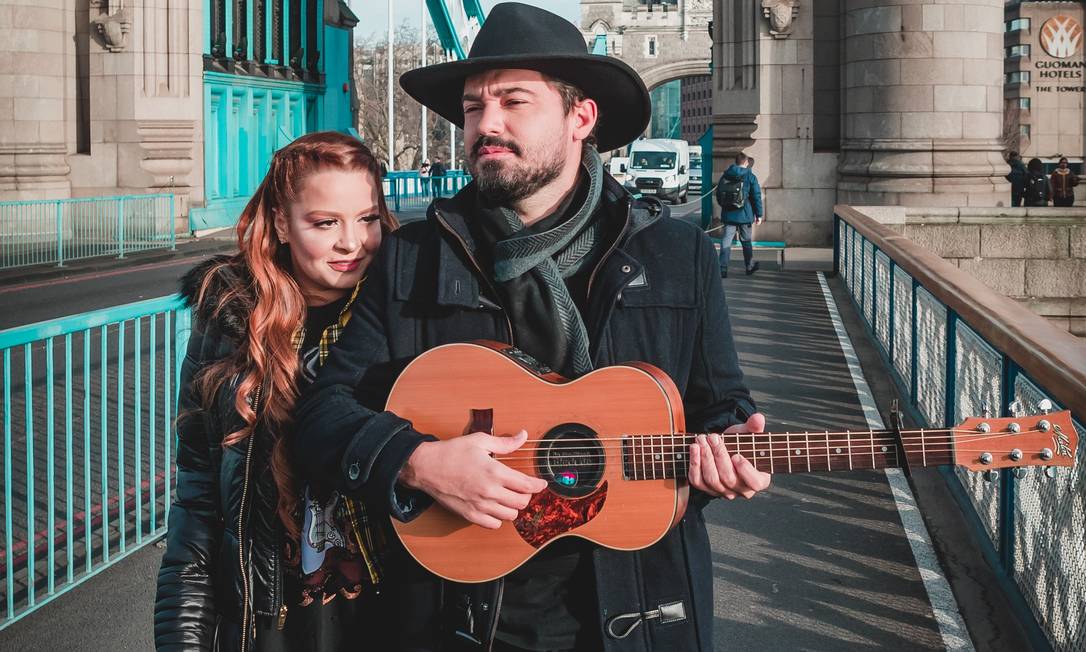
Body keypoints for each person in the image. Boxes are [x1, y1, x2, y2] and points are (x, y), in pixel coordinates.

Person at [291, 4, 770, 651]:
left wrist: (731, 450)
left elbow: (719, 407)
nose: (485, 123)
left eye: (514, 101)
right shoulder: (415, 257)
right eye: (471, 107)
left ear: (581, 117)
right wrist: (417, 462)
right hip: (457, 615)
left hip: (636, 609)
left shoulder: (679, 256)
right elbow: (321, 415)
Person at [154, 132, 399, 652]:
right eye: (325, 222)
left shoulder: (410, 317)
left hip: (391, 614)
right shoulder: (230, 322)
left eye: (368, 219)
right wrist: (184, 637)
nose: (351, 243)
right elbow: (198, 502)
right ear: (283, 224)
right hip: (268, 618)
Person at [715, 152, 764, 278]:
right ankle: (749, 266)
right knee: (746, 241)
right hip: (745, 215)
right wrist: (759, 214)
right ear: (746, 162)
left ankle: (722, 268)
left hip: (728, 214)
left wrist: (725, 206)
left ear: (736, 162)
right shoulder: (750, 176)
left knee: (726, 241)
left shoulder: (726, 175)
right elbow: (756, 197)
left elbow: (719, 193)